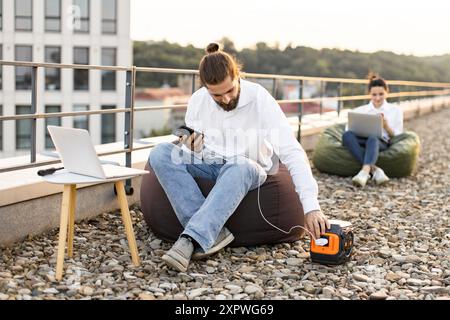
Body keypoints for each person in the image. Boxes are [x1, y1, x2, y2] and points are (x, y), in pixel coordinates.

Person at [148, 43, 329, 272]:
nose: (225, 99)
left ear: (237, 76)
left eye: (230, 91)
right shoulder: (197, 100)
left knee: (240, 165)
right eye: (216, 95)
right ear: (205, 88)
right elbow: (193, 143)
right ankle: (211, 234)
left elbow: (292, 151)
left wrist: (311, 207)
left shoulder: (260, 99)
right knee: (161, 153)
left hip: (247, 167)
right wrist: (192, 147)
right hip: (209, 161)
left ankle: (190, 240)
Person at [342, 74, 403, 187]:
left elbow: (397, 135)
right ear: (369, 94)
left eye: (381, 94)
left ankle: (364, 172)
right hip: (362, 139)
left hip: (382, 141)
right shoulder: (361, 110)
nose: (377, 98)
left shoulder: (395, 110)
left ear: (387, 92)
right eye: (374, 94)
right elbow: (348, 127)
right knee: (347, 135)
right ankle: (375, 170)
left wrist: (386, 126)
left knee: (373, 137)